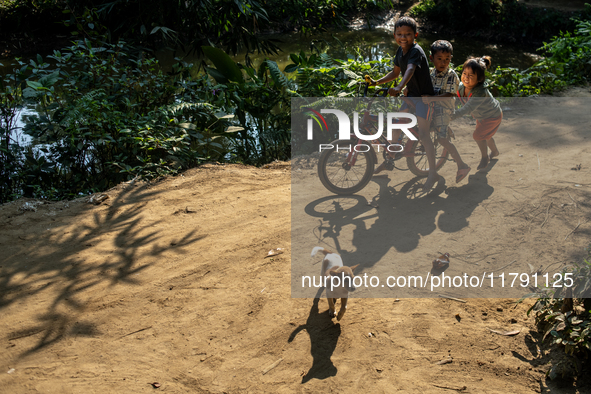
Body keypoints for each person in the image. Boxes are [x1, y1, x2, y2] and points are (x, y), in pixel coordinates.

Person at [368, 16, 439, 191]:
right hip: (410, 95)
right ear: (394, 35)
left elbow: (410, 69)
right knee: (395, 125)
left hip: (424, 98)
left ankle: (432, 172)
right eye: (399, 34)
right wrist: (377, 82)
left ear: (415, 35)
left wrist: (400, 86)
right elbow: (395, 72)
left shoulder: (415, 51)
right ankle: (390, 160)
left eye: (407, 34)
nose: (403, 37)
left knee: (423, 135)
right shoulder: (400, 51)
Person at [422, 40, 471, 183]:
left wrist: (431, 99)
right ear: (431, 59)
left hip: (444, 109)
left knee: (442, 139)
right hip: (430, 108)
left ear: (451, 59)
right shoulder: (431, 73)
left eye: (447, 59)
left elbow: (450, 94)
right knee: (422, 130)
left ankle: (462, 165)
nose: (443, 62)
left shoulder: (451, 75)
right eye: (440, 59)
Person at [451, 56, 502, 172]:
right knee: (486, 136)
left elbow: (467, 108)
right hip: (483, 116)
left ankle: (485, 157)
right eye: (464, 73)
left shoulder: (480, 92)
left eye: (471, 76)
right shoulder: (461, 88)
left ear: (479, 79)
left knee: (478, 136)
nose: (466, 78)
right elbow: (451, 94)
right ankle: (495, 152)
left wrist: (452, 116)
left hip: (492, 116)